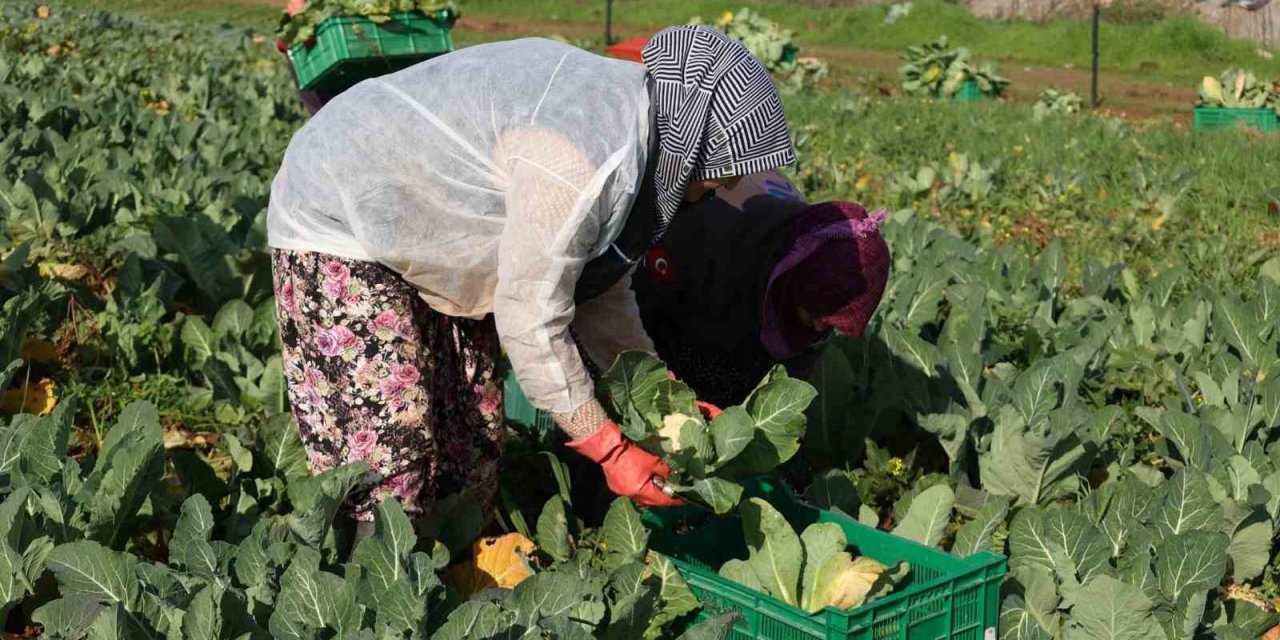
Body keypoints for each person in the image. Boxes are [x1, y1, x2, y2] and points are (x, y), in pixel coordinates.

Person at [266, 26, 797, 535]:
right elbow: (530, 320)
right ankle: (369, 603)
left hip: (426, 223)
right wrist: (609, 448)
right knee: (391, 451)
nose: (707, 194)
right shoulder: (584, 157)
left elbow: (597, 291)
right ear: (691, 142)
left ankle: (438, 580)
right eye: (714, 178)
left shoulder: (636, 129)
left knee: (469, 442)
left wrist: (661, 396)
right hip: (338, 206)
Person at [632, 170, 891, 408]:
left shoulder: (812, 256)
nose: (821, 327)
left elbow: (791, 380)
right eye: (817, 314)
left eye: (830, 322)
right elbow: (632, 315)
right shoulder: (706, 240)